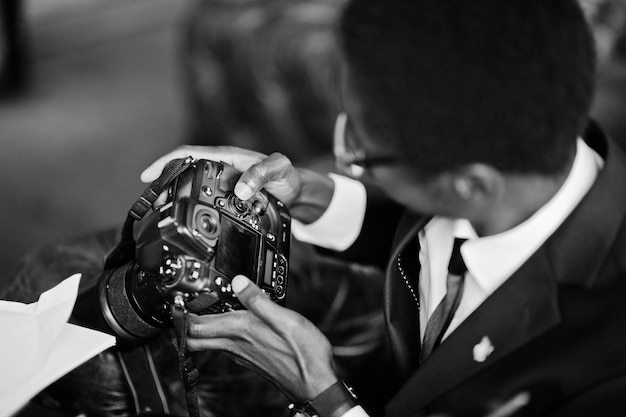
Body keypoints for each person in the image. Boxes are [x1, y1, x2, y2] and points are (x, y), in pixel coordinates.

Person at [141, 0, 626, 415]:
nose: (346, 157)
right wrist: (312, 195)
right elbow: (426, 227)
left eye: (363, 153)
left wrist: (323, 394)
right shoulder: (527, 147)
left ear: (471, 184)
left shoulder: (606, 371)